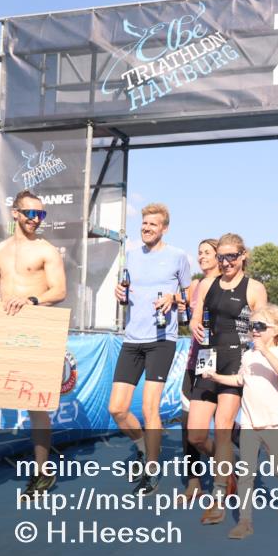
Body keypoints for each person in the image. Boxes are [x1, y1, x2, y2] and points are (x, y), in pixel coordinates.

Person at [0, 189, 67, 498]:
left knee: (33, 404)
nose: (36, 220)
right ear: (15, 214)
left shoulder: (47, 250)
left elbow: (59, 290)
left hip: (32, 330)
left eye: (41, 215)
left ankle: (41, 473)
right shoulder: (0, 250)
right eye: (31, 214)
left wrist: (31, 299)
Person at [110, 203, 191, 495]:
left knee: (149, 407)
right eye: (144, 224)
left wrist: (174, 298)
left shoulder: (177, 257)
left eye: (152, 225)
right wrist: (119, 294)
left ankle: (152, 471)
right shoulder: (130, 256)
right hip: (132, 339)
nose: (146, 228)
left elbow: (188, 297)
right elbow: (125, 291)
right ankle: (143, 447)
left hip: (161, 340)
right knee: (117, 408)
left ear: (164, 228)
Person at [188, 232, 267, 525]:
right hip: (208, 357)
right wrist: (196, 326)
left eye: (231, 257)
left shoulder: (254, 288)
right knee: (196, 434)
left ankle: (219, 497)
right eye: (221, 257)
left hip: (236, 358)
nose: (225, 262)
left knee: (221, 426)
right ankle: (229, 468)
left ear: (243, 255)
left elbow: (262, 327)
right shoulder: (207, 283)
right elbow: (196, 318)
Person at [204, 304, 278, 539]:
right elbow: (240, 380)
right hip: (248, 422)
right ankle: (245, 522)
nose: (254, 330)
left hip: (274, 422)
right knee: (247, 474)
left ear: (275, 330)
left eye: (260, 326)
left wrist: (265, 351)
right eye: (251, 326)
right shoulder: (248, 355)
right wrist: (215, 376)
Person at [179, 237, 220, 502]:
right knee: (187, 423)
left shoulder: (224, 284)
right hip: (194, 358)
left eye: (208, 252)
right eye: (200, 252)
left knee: (215, 421)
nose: (202, 256)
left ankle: (225, 465)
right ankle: (194, 481)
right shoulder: (195, 284)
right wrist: (184, 311)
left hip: (216, 357)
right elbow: (188, 321)